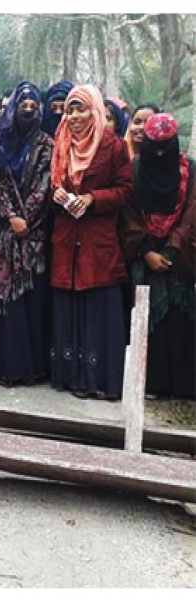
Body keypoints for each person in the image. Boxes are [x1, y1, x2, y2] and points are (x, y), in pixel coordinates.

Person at [50, 85, 134, 400]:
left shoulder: (112, 146)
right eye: (70, 110)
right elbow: (51, 185)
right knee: (69, 309)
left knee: (99, 309)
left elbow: (125, 190)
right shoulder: (60, 145)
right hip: (66, 240)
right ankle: (70, 378)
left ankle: (99, 380)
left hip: (98, 241)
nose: (73, 116)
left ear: (94, 111)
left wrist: (91, 199)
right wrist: (56, 195)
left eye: (80, 109)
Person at [121, 113, 195, 399]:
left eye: (167, 145)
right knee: (147, 320)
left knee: (181, 318)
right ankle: (152, 384)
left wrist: (173, 248)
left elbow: (192, 213)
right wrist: (147, 250)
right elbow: (127, 215)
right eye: (156, 145)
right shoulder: (133, 170)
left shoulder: (192, 170)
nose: (160, 152)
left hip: (180, 258)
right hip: (144, 256)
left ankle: (184, 386)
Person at [0, 82, 55, 387]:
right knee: (7, 302)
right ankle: (7, 368)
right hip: (4, 233)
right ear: (13, 109)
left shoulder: (46, 144)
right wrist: (11, 216)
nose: (27, 111)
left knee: (32, 299)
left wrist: (25, 219)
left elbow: (45, 185)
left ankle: (34, 368)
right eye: (22, 106)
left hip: (33, 234)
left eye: (32, 107)